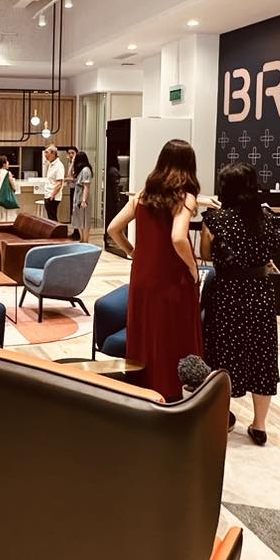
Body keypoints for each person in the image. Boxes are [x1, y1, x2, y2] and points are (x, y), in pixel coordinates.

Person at [107, 139, 203, 401]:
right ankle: (173, 391)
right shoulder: (185, 197)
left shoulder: (141, 195)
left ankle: (142, 389)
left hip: (143, 275)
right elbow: (178, 237)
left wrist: (132, 251)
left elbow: (113, 229)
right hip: (171, 277)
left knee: (145, 331)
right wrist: (192, 266)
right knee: (174, 333)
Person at [201, 162, 280, 445]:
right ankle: (259, 425)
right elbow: (271, 253)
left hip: (227, 293)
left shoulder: (215, 220)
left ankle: (223, 415)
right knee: (262, 354)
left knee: (223, 353)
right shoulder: (268, 218)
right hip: (260, 293)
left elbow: (205, 255)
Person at [70, 150, 94, 243]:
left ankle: (85, 240)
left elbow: (86, 187)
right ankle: (82, 240)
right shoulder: (80, 170)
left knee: (85, 219)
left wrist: (84, 200)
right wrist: (72, 163)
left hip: (82, 197)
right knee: (78, 219)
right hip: (78, 197)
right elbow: (70, 175)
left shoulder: (85, 170)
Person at [0, 156, 19, 222]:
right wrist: (14, 189)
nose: (8, 163)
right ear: (4, 164)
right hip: (4, 198)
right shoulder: (7, 173)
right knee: (4, 215)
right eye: (7, 162)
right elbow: (13, 187)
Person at [42, 145, 65, 221]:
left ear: (53, 153)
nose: (45, 155)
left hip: (53, 196)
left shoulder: (59, 166)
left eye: (47, 152)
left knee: (52, 218)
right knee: (50, 218)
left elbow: (59, 183)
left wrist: (52, 196)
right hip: (48, 194)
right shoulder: (51, 164)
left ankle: (57, 229)